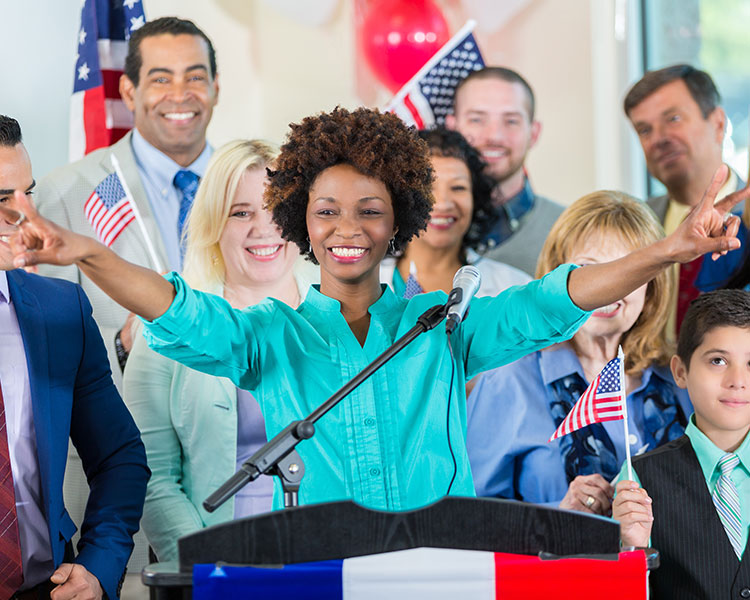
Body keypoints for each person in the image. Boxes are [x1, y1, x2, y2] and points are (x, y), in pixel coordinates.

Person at [5, 107, 746, 513]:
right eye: (326, 211)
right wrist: (88, 254)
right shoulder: (274, 338)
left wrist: (667, 250)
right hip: (324, 571)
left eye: (369, 210)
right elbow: (183, 313)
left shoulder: (447, 326)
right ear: (302, 222)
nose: (347, 228)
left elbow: (552, 300)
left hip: (445, 568)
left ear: (399, 224)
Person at [123, 140, 311, 561]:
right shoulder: (169, 326)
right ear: (213, 223)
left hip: (328, 558)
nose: (263, 228)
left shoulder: (338, 317)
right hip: (213, 560)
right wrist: (202, 564)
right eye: (241, 212)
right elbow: (152, 476)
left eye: (277, 209)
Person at [466, 191, 691, 515]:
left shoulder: (678, 376)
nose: (607, 286)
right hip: (559, 565)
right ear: (558, 281)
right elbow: (471, 519)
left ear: (652, 284)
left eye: (624, 269)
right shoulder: (507, 380)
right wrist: (559, 513)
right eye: (588, 269)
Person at [0, 116, 148, 599]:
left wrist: (98, 566)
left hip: (45, 588)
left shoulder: (60, 310)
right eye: (1, 199)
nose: (23, 214)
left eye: (28, 192)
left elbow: (119, 456)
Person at [35, 16, 220, 383]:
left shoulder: (257, 186)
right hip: (129, 425)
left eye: (195, 77)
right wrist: (120, 347)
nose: (181, 94)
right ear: (130, 91)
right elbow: (49, 346)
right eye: (161, 79)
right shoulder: (66, 194)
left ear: (216, 88)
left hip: (248, 428)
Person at [614, 290, 750, 599]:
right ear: (680, 371)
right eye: (718, 360)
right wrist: (631, 547)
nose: (738, 380)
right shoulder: (639, 478)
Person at [624, 64, 746, 334]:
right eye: (644, 130)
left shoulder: (747, 215)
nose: (659, 139)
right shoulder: (633, 226)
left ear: (718, 124)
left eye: (673, 119)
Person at [380, 127, 530, 298]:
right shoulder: (361, 280)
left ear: (476, 198)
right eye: (427, 188)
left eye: (458, 188)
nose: (443, 204)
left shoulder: (515, 288)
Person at [446, 67, 563, 276]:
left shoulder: (568, 229)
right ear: (452, 128)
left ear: (534, 133)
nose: (495, 137)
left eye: (511, 121)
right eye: (477, 119)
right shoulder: (422, 230)